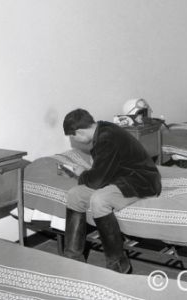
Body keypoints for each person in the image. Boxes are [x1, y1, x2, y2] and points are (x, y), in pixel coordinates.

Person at [62, 108, 161, 273]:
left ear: (79, 131)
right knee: (74, 195)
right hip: (118, 178)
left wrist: (82, 173)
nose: (75, 141)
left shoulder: (107, 138)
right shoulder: (102, 131)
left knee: (99, 200)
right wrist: (90, 174)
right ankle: (73, 258)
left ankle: (118, 264)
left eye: (73, 137)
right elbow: (102, 172)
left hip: (140, 181)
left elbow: (96, 181)